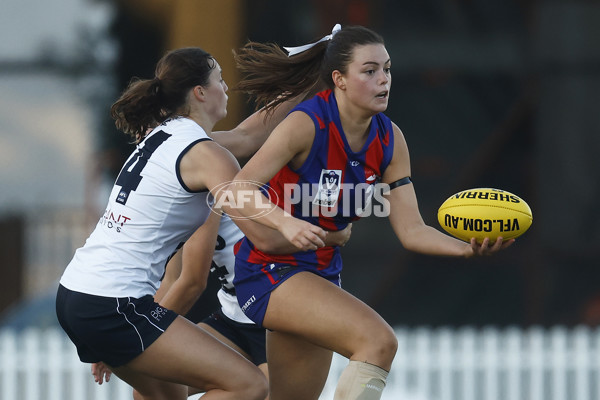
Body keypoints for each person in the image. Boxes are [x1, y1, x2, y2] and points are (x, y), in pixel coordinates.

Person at [227, 24, 516, 400]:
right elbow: (236, 190)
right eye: (370, 71)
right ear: (339, 80)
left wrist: (466, 248)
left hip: (321, 274)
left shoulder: (389, 139)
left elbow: (412, 230)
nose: (384, 80)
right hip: (269, 270)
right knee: (378, 342)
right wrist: (286, 222)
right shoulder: (306, 124)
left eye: (388, 69)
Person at [56, 47, 276, 400]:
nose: (227, 88)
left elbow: (249, 134)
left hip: (77, 294)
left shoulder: (163, 136)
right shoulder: (206, 155)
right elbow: (260, 232)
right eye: (220, 79)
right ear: (200, 93)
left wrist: (308, 79)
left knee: (166, 397)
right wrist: (317, 232)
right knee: (250, 386)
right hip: (113, 303)